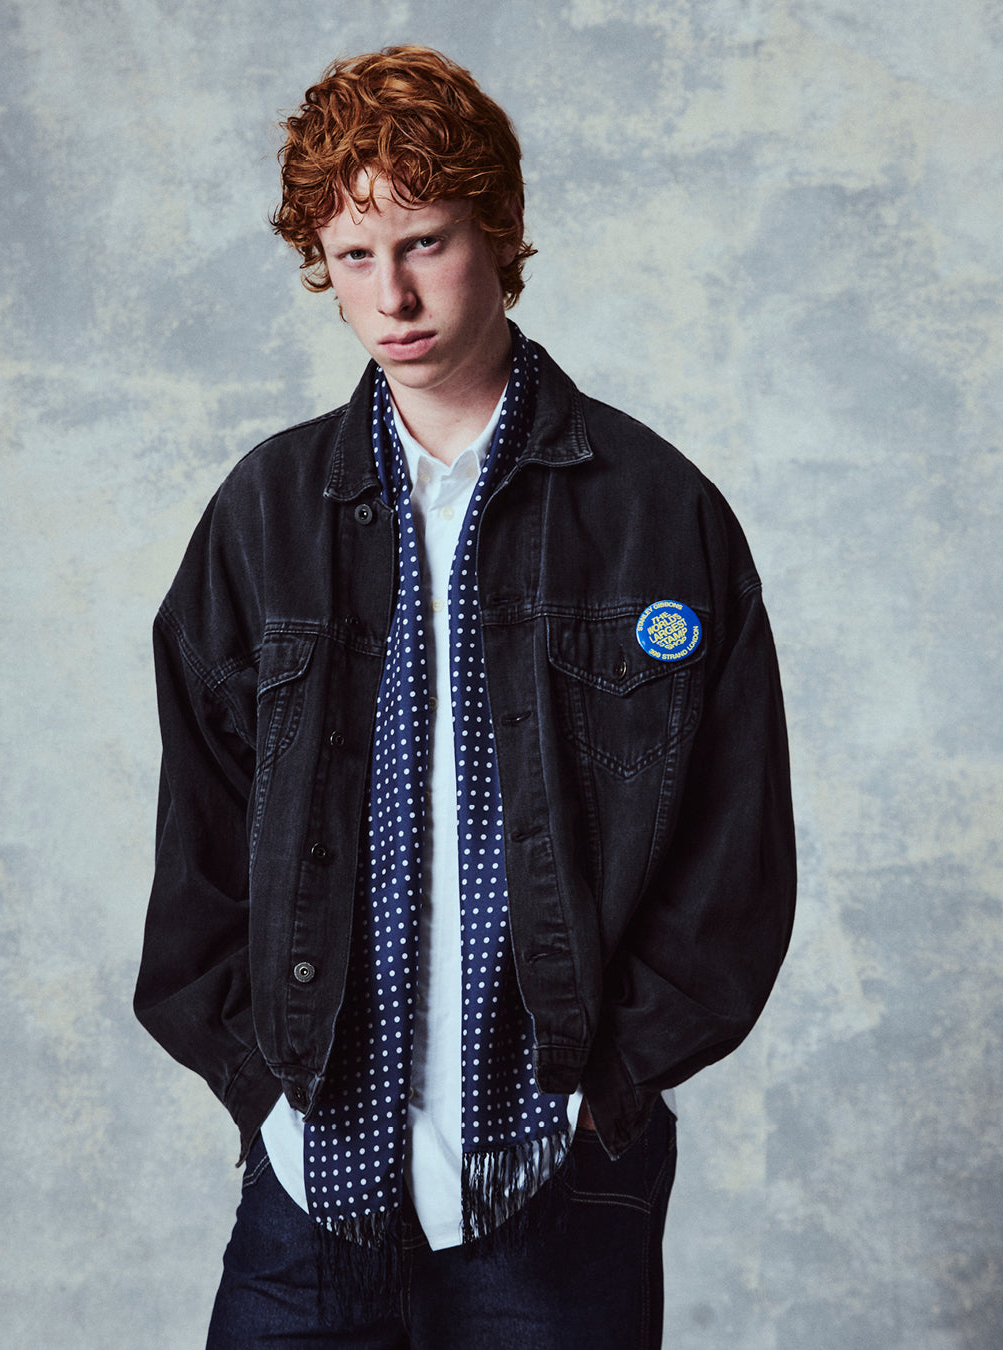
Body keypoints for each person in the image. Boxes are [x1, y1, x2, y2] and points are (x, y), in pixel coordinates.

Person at [134, 45, 796, 1349]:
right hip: (313, 1175)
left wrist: (608, 1082)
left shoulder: (657, 513)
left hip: (562, 1177)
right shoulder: (264, 517)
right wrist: (258, 1085)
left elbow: (737, 852)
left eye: (425, 242)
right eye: (355, 254)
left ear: (499, 233)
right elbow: (199, 837)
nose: (393, 292)